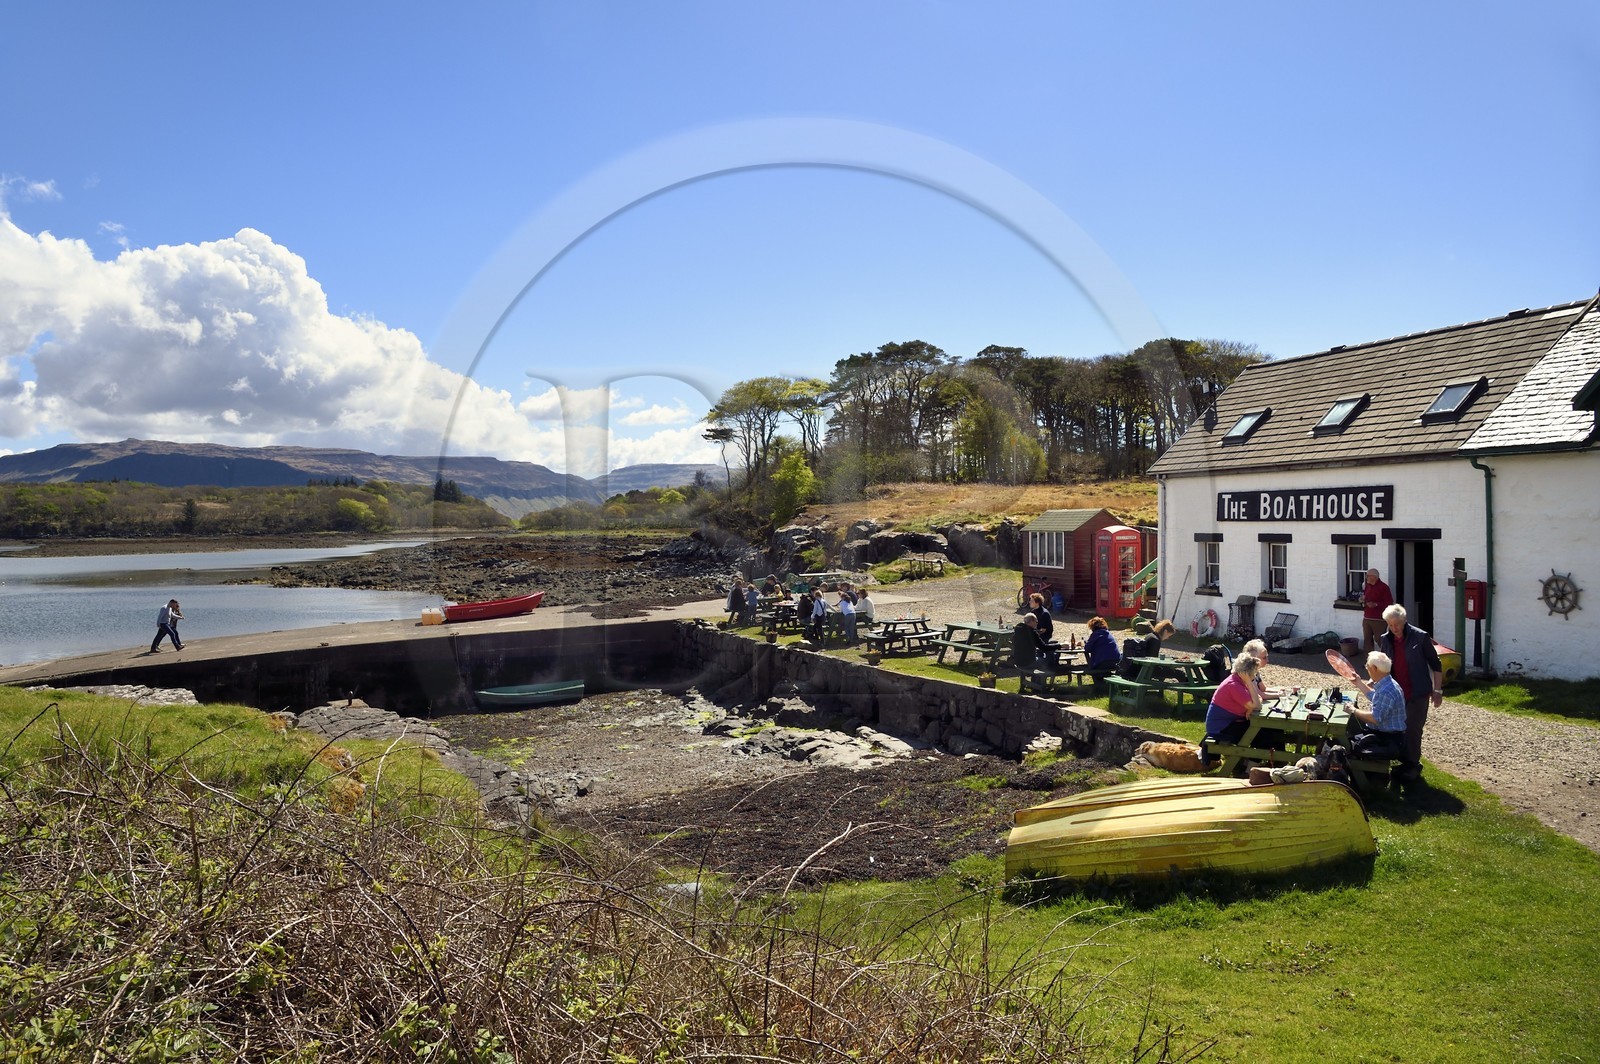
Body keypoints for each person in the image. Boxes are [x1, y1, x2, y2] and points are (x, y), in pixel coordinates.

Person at [1377, 603, 1443, 784]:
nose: (1394, 628)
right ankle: (1404, 763)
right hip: (1397, 694)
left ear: (1405, 621)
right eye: (1390, 625)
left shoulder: (1420, 637)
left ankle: (1413, 764)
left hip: (1418, 692)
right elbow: (1384, 664)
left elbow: (1436, 664)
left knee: (1413, 730)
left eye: (1397, 624)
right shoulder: (1385, 639)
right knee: (1397, 728)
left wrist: (1437, 690)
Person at [1344, 650, 1408, 762]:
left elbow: (1375, 718)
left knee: (1349, 743)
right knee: (1353, 734)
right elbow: (1374, 696)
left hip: (1387, 739)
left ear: (1374, 668)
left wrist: (1353, 710)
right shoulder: (1389, 683)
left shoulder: (1386, 691)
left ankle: (1359, 774)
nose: (1366, 668)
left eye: (1367, 666)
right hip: (1388, 736)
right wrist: (1358, 682)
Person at [1201, 653, 1263, 768]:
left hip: (1230, 722)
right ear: (1246, 673)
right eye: (1255, 672)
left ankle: (1249, 764)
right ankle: (1250, 769)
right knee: (1260, 733)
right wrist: (1250, 684)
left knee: (1264, 730)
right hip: (1221, 728)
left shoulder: (1239, 681)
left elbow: (1258, 700)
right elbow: (1257, 704)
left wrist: (1251, 707)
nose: (1256, 674)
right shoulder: (1233, 685)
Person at [1360, 568, 1395, 653]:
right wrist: (1362, 600)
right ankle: (1369, 662)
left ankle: (1389, 656)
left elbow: (1389, 603)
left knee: (1379, 639)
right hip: (1367, 617)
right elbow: (1366, 598)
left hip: (1379, 619)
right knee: (1367, 640)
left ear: (1374, 577)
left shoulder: (1384, 587)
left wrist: (1376, 604)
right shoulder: (1367, 586)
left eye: (1368, 576)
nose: (1366, 577)